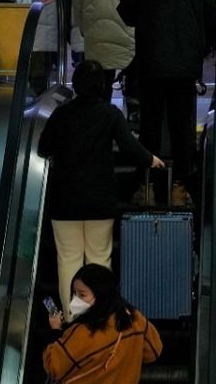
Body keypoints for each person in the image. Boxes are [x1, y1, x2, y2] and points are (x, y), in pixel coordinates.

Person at [38, 61, 162, 314]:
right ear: (102, 85)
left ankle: (74, 320)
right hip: (99, 199)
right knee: (99, 260)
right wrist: (150, 159)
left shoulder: (61, 114)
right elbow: (129, 147)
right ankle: (98, 318)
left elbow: (43, 148)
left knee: (68, 260)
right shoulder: (109, 114)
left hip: (65, 201)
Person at [118, 0, 216, 207]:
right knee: (182, 126)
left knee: (149, 124)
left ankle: (147, 187)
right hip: (186, 61)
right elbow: (213, 12)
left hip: (149, 59)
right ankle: (180, 188)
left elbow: (126, 13)